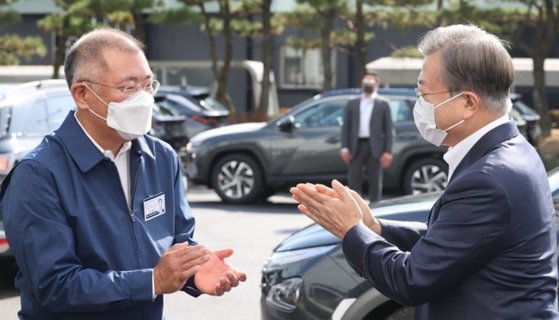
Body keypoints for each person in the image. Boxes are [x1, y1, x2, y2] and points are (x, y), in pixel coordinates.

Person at [291, 24, 558, 319]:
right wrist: (376, 228)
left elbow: (411, 280)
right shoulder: (513, 150)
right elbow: (452, 242)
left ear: (468, 102)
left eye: (424, 93)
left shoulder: (488, 178)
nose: (419, 105)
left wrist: (351, 230)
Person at [0, 28, 246, 320]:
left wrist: (194, 268)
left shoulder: (161, 158)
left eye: (147, 85)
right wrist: (151, 281)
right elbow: (55, 286)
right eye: (128, 88)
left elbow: (176, 242)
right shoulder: (39, 175)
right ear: (82, 94)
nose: (143, 99)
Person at [340, 72, 394, 203]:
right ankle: (355, 209)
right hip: (356, 146)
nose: (367, 85)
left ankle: (375, 209)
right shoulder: (353, 103)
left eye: (370, 82)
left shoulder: (383, 103)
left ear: (376, 85)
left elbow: (389, 129)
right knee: (354, 181)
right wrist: (344, 148)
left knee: (375, 180)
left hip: (375, 147)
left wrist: (388, 151)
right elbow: (346, 127)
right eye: (365, 82)